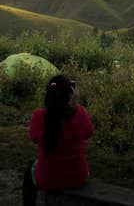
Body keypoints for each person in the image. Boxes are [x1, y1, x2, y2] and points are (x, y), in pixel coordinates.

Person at [23, 75, 94, 205]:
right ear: (71, 94)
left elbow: (34, 138)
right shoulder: (80, 113)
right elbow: (89, 133)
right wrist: (75, 105)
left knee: (30, 169)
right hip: (77, 177)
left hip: (47, 179)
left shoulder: (39, 116)